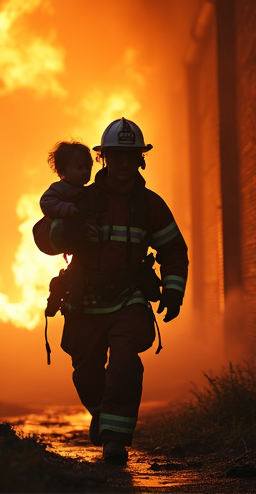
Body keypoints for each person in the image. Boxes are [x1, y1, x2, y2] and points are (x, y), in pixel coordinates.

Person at [33, 118, 188, 464]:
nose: (122, 165)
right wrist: (70, 229)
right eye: (115, 157)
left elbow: (174, 250)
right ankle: (102, 413)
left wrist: (174, 290)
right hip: (85, 300)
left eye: (129, 157)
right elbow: (42, 235)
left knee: (125, 366)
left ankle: (115, 441)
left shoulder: (150, 205)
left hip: (128, 299)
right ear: (104, 159)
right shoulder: (81, 197)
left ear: (140, 160)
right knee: (86, 371)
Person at [40, 140, 94, 219]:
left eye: (88, 168)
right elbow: (46, 203)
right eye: (79, 168)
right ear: (63, 170)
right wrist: (68, 208)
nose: (85, 172)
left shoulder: (90, 191)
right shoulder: (59, 188)